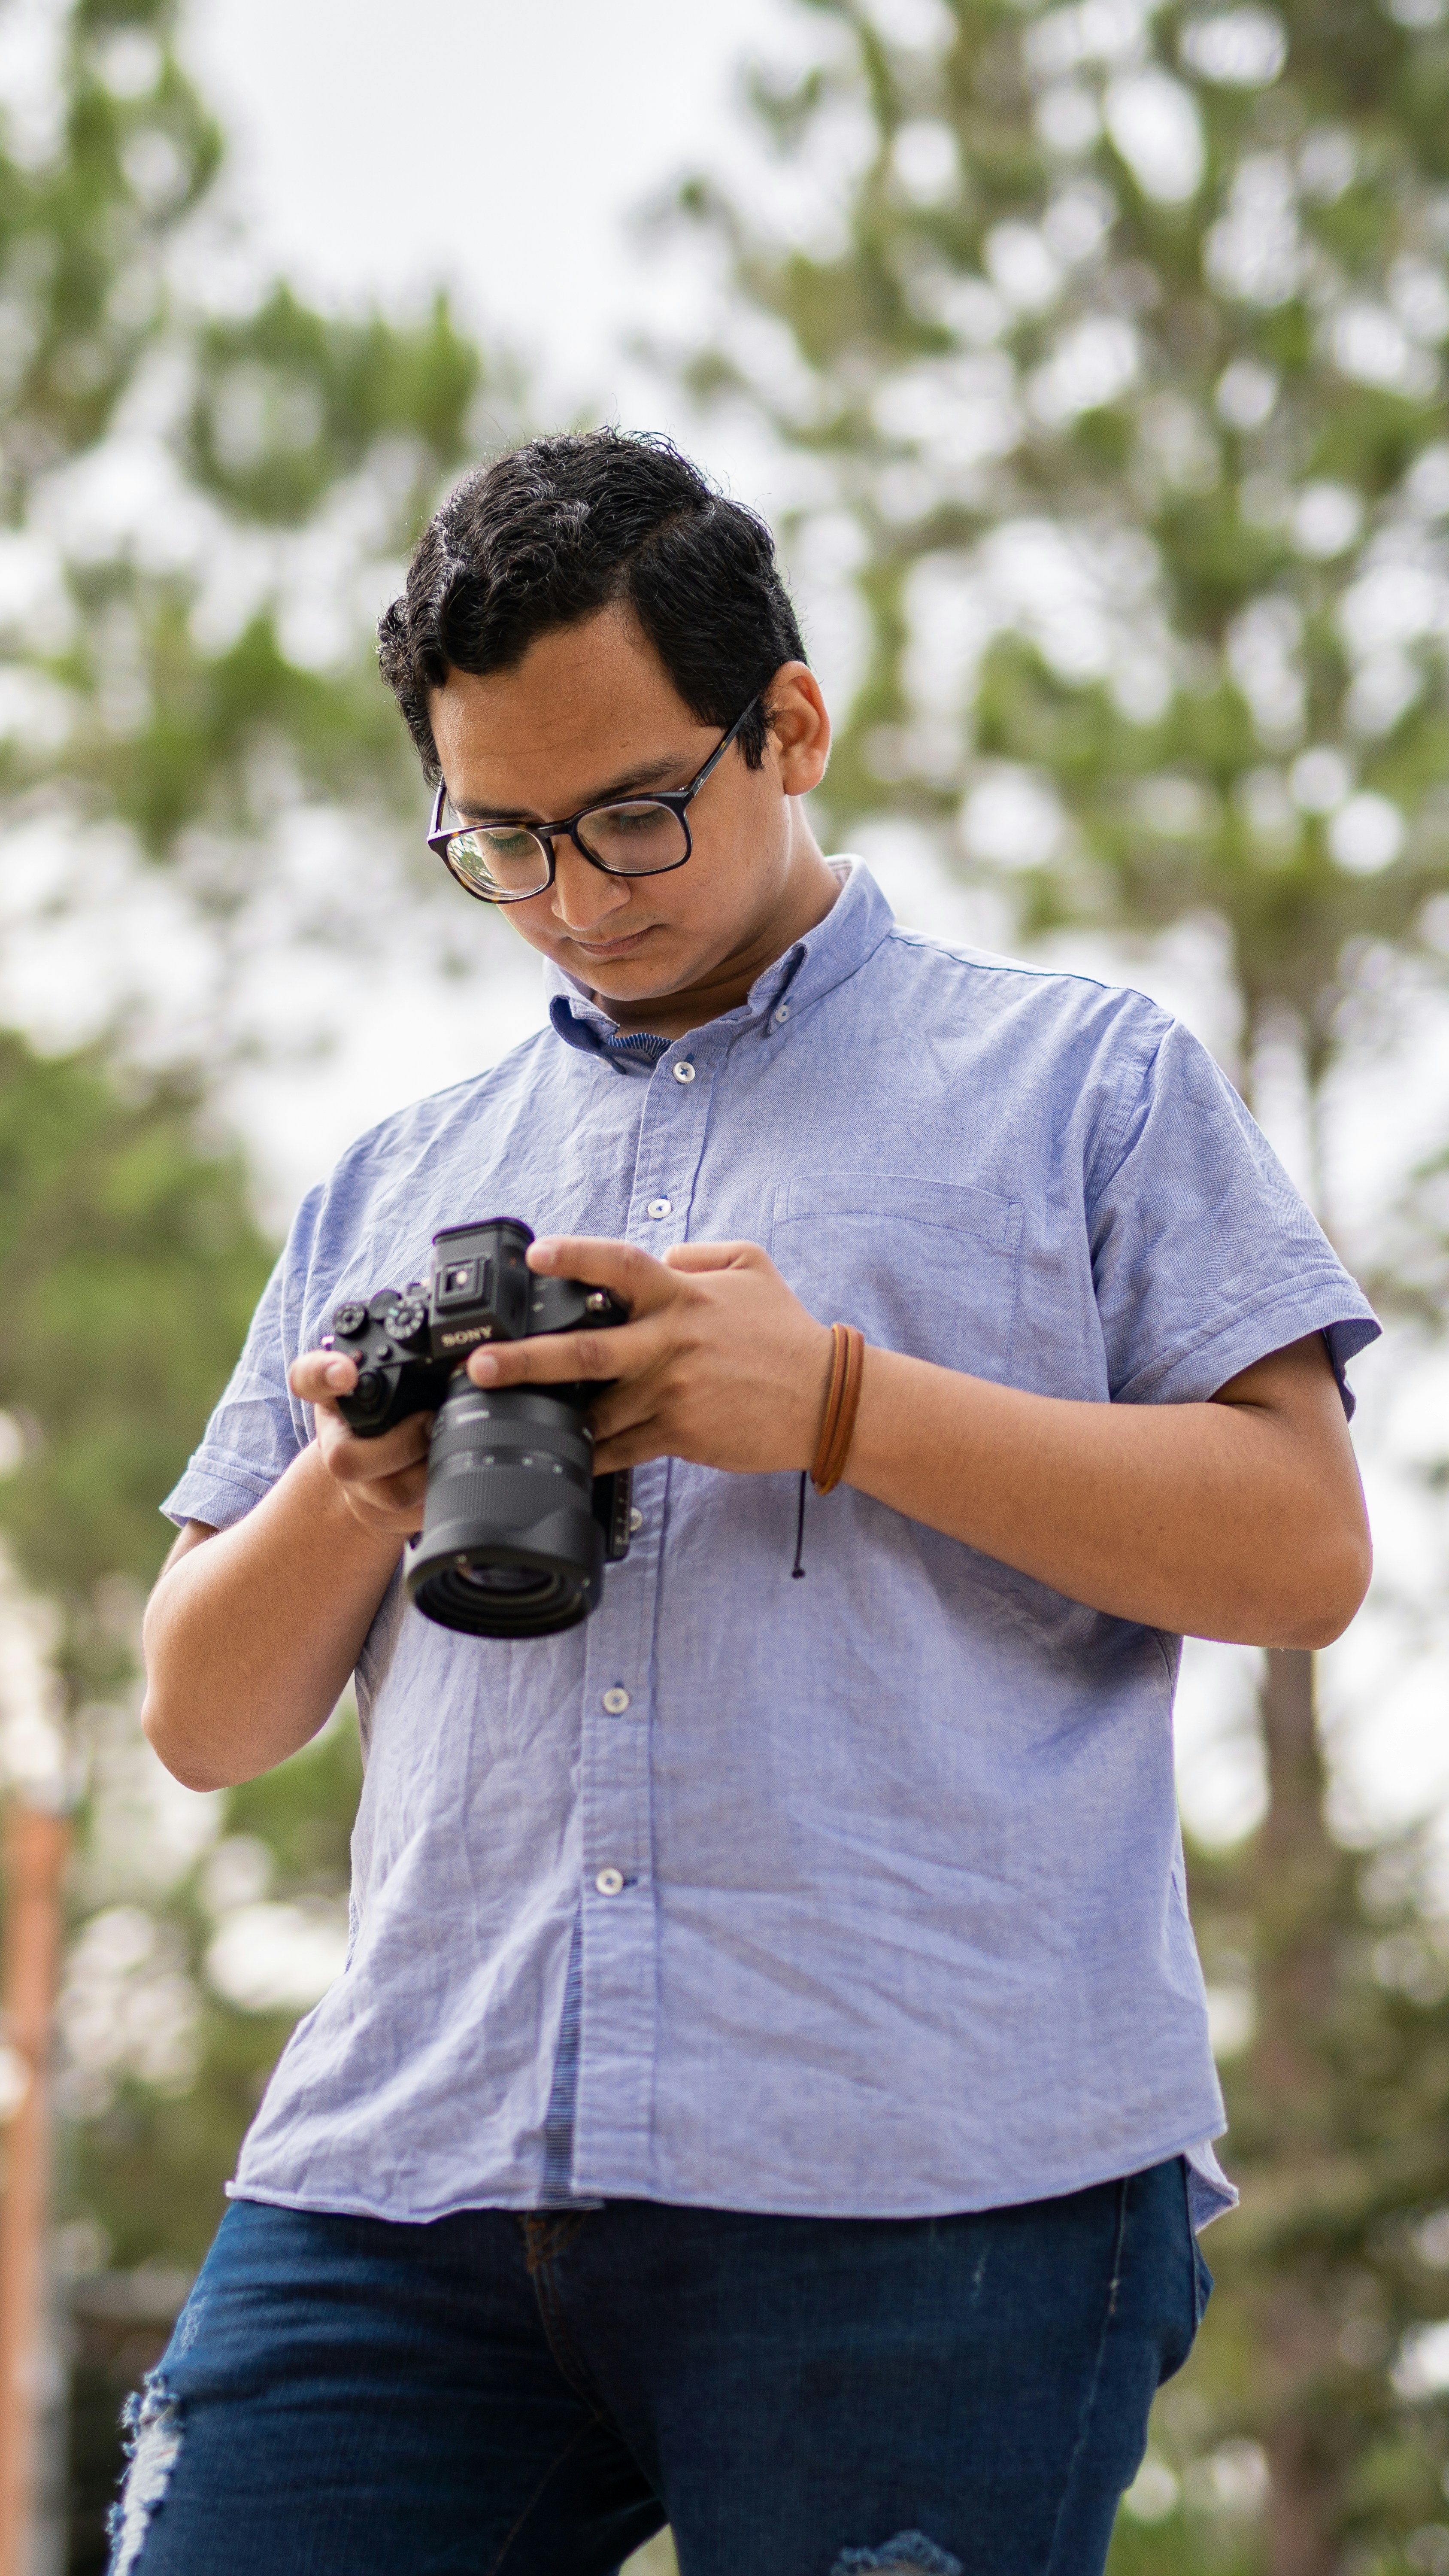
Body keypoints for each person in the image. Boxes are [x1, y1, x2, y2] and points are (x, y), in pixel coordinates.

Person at [121, 430, 1376, 2576]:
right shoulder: (396, 1177)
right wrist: (359, 1482)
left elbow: (1302, 1546)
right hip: (404, 2174)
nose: (576, 898)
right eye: (499, 840)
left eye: (630, 812)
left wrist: (831, 1403)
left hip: (934, 2193)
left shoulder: (1084, 1083)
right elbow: (202, 1721)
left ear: (787, 724)